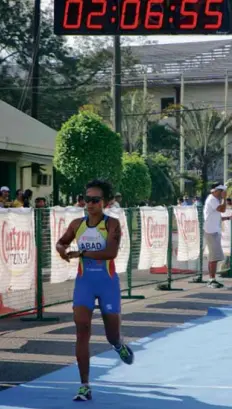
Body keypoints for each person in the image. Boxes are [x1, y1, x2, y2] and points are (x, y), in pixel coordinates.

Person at [56, 179, 134, 401]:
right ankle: (84, 385)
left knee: (111, 335)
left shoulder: (112, 224)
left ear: (105, 203)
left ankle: (118, 344)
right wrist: (62, 250)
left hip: (107, 283)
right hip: (85, 283)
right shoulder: (76, 224)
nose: (89, 204)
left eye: (95, 200)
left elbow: (110, 253)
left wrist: (81, 254)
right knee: (82, 331)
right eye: (86, 199)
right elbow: (61, 243)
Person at [204, 183, 232, 289]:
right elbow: (222, 209)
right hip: (211, 232)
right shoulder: (212, 199)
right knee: (213, 257)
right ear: (215, 191)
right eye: (221, 191)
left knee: (214, 257)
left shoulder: (215, 200)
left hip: (213, 231)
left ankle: (212, 279)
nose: (222, 193)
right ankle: (211, 280)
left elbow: (216, 215)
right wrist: (224, 199)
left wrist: (227, 218)